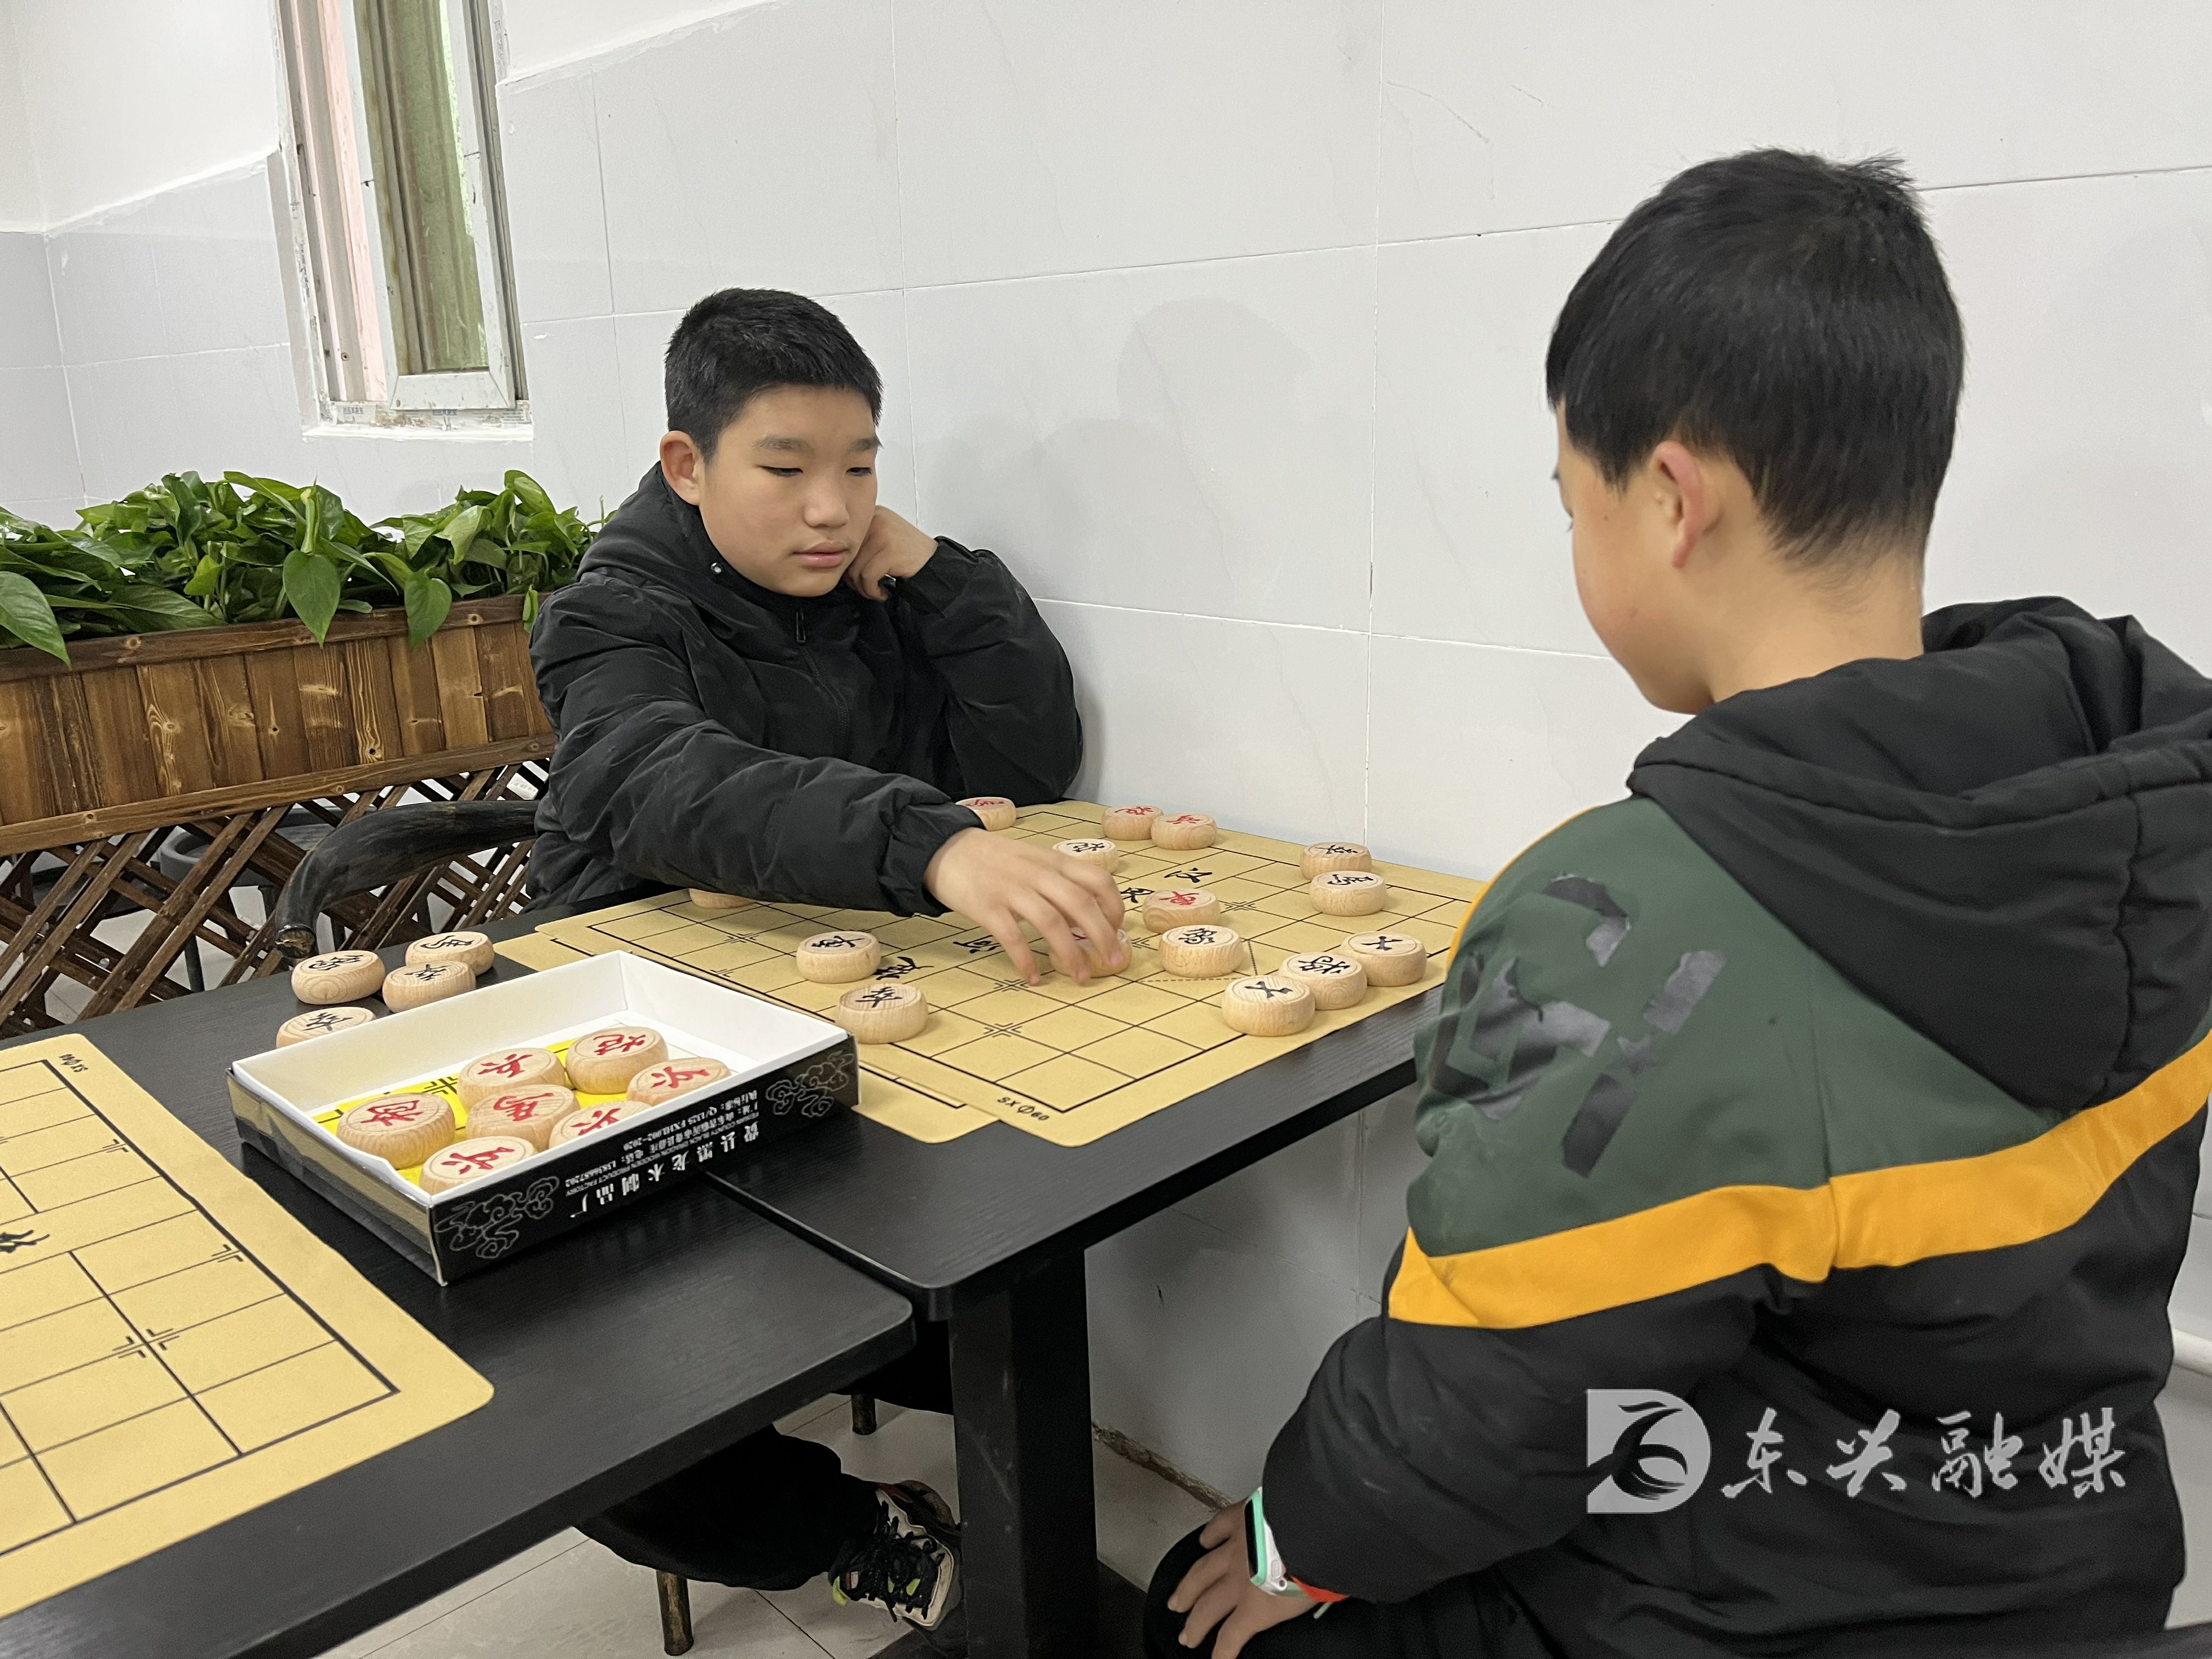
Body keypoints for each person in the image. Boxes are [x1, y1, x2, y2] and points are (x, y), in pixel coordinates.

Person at [1149, 150, 2212, 1659]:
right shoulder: (2131, 809)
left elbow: (1480, 1417)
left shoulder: (1634, 920)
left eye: (1572, 504)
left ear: (1669, 499)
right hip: (2072, 1565)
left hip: (1755, 1600)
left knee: (1193, 1619)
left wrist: (1295, 1532)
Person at [531, 288, 1127, 1642]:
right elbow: (653, 776)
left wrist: (938, 575)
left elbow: (1028, 759)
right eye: (787, 468)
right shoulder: (609, 615)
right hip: (646, 1034)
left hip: (838, 1020)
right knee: (591, 1417)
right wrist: (929, 843)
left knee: (1008, 1298)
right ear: (687, 465)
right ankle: (849, 1534)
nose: (833, 509)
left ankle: (1011, 1539)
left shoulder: (863, 587)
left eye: (861, 468)